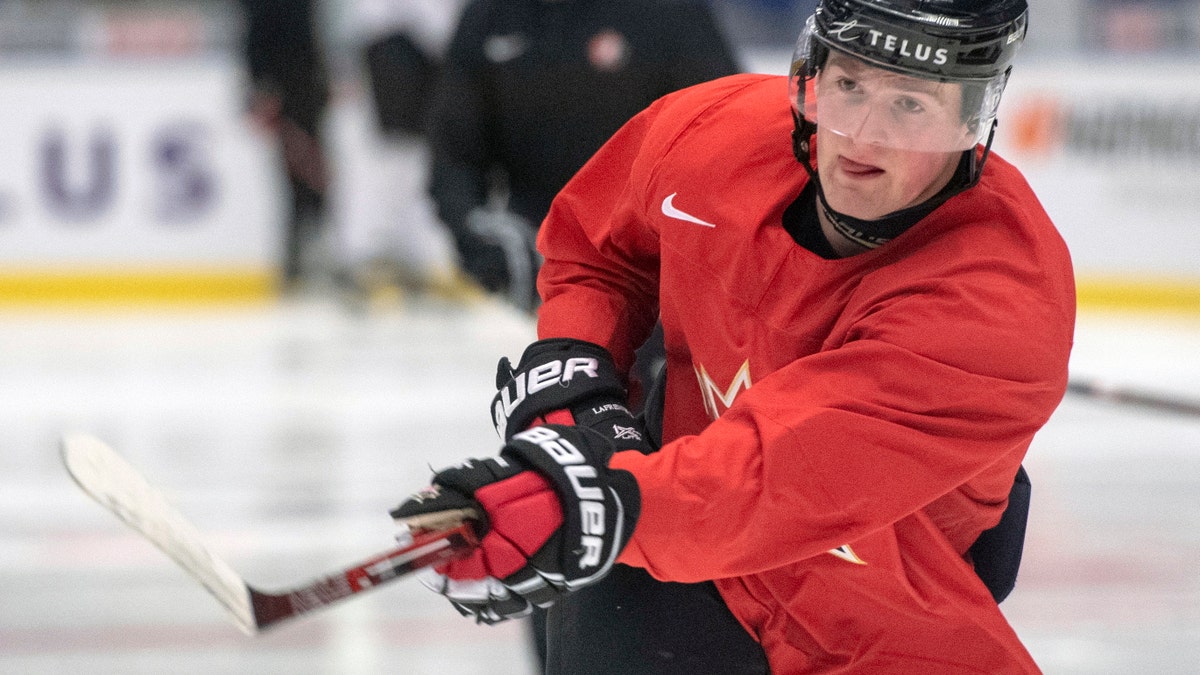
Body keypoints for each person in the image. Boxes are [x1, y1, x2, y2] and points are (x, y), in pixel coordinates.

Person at [393, 0, 1075, 672]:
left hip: (875, 624)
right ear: (813, 71)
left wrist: (585, 503)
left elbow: (769, 481)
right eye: (848, 86)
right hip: (676, 567)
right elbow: (596, 248)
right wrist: (579, 393)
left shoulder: (998, 297)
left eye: (910, 106)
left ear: (970, 120)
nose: (863, 137)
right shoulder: (718, 133)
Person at [426, 0, 741, 312]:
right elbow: (454, 153)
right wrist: (477, 231)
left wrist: (683, 247)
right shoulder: (490, 14)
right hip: (539, 257)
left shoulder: (670, 11)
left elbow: (724, 137)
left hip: (650, 255)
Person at [237, 0, 331, 290]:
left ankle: (306, 257)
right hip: (288, 92)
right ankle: (300, 261)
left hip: (304, 89)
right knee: (301, 177)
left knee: (311, 177)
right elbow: (258, 36)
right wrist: (261, 86)